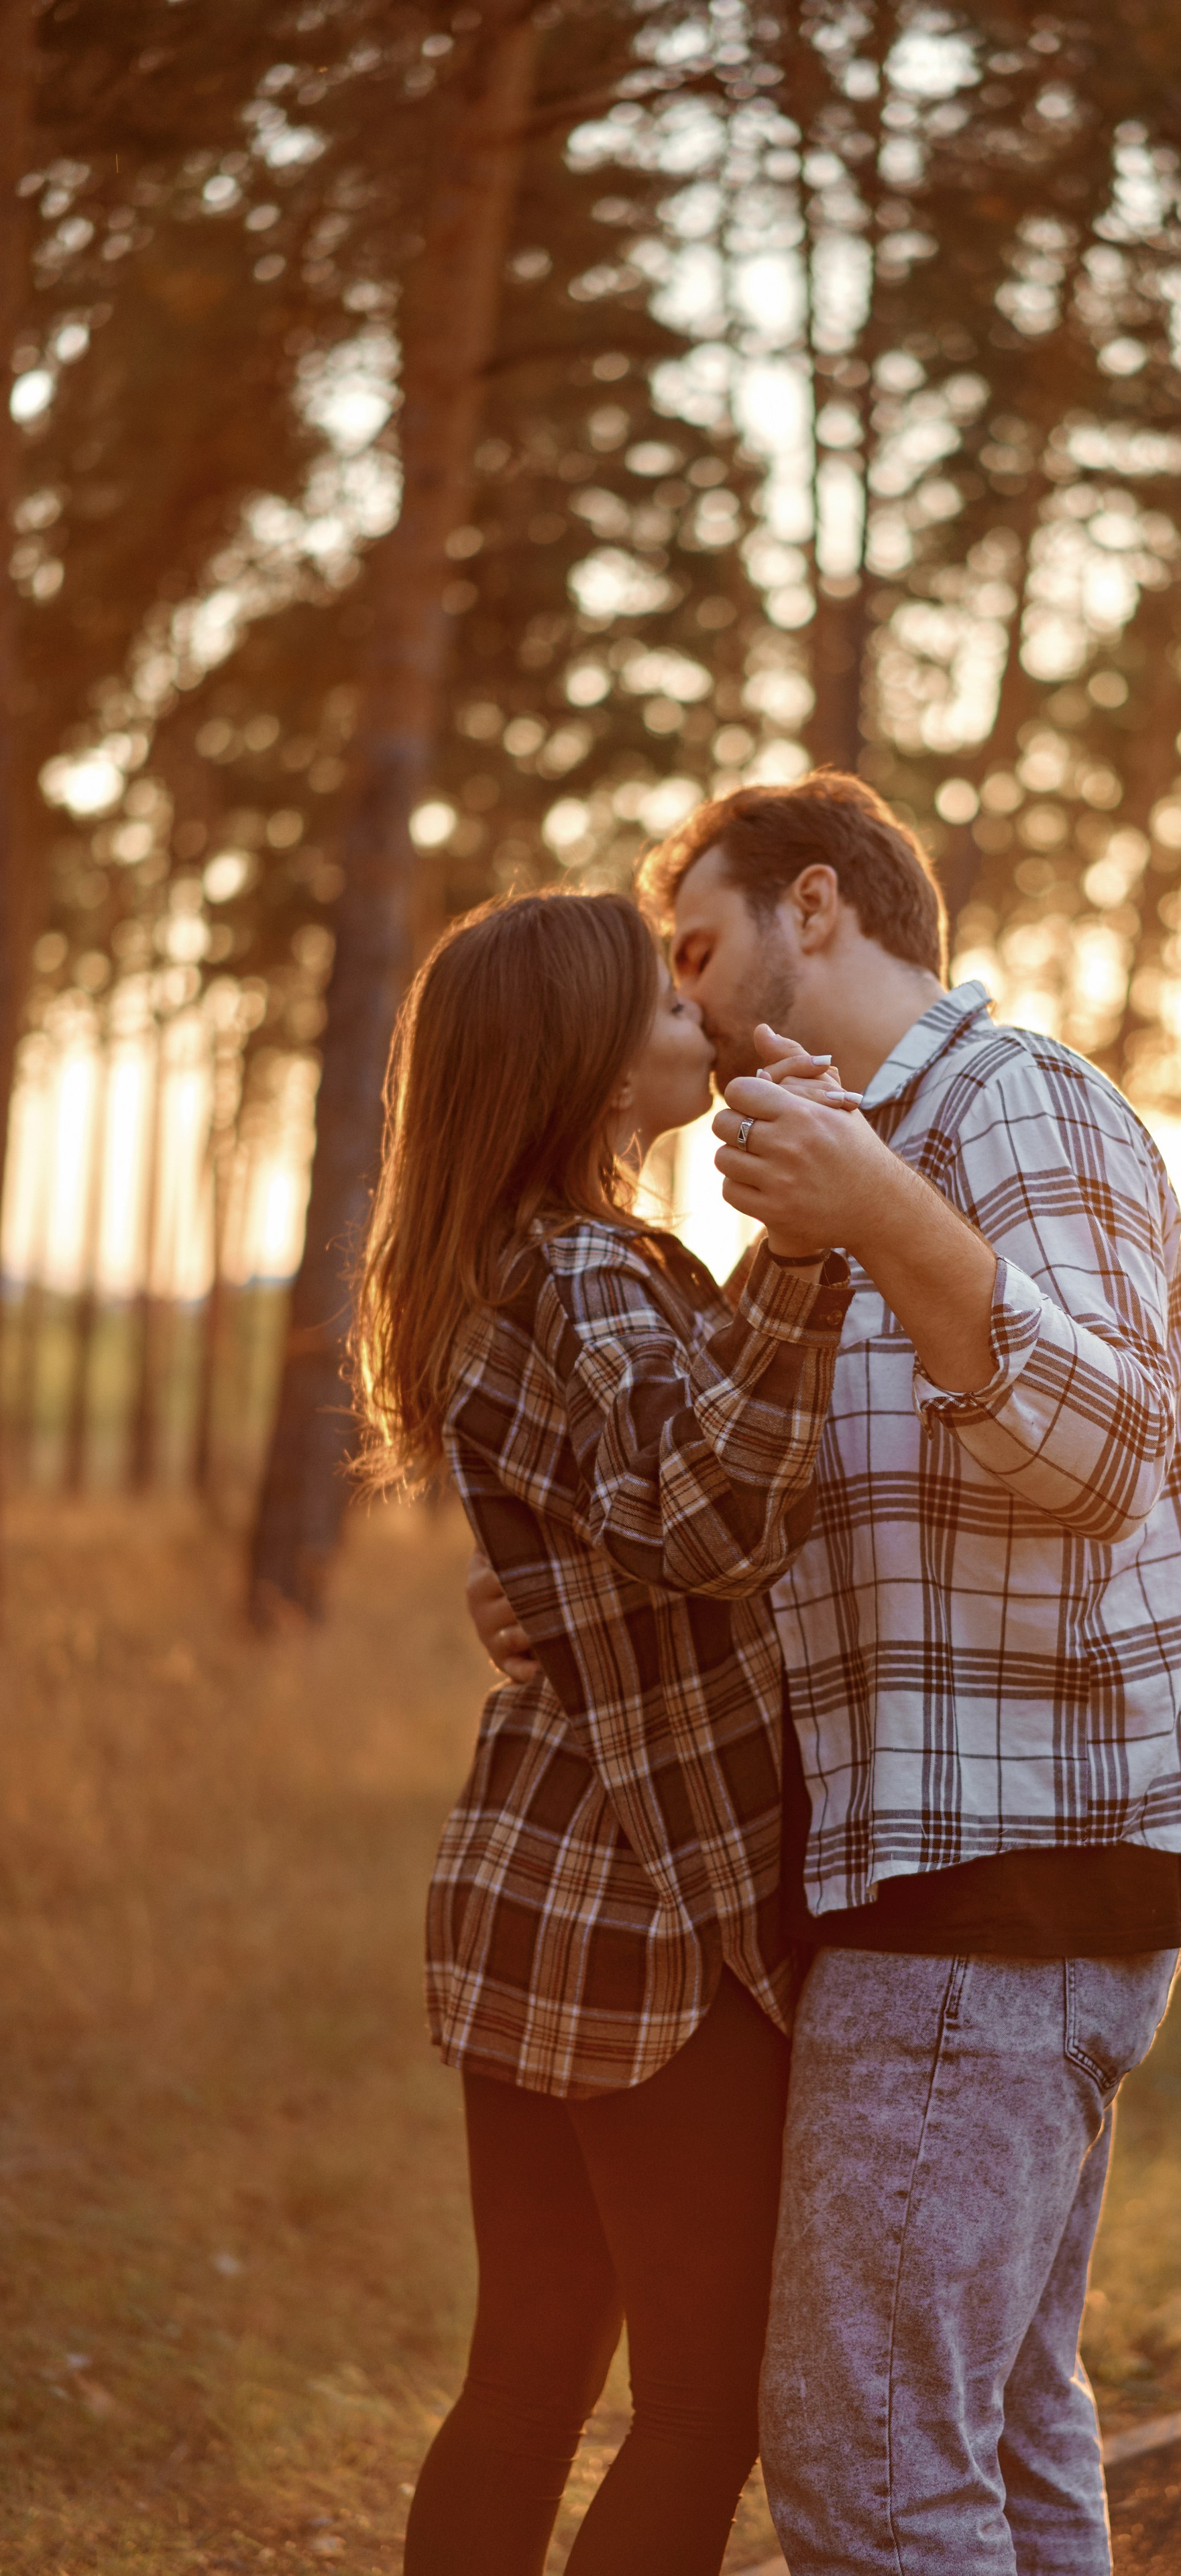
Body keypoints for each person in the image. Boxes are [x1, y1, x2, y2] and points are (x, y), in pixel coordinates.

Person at [469, 773, 1181, 2576]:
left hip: (996, 1886)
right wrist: (551, 1596)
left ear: (815, 910)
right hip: (942, 1882)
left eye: (693, 952)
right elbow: (789, 1526)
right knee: (996, 2428)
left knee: (865, 2473)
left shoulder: (1009, 1112)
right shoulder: (825, 1184)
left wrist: (884, 1216)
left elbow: (1097, 1458)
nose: (672, 1002)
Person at [349, 885, 862, 2576]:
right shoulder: (591, 1267)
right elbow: (714, 1524)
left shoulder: (490, 1268)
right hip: (646, 1913)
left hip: (526, 1878)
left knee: (526, 2380)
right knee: (706, 2407)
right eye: (660, 1003)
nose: (695, 1024)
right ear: (579, 1062)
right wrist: (806, 1251)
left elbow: (618, 1548)